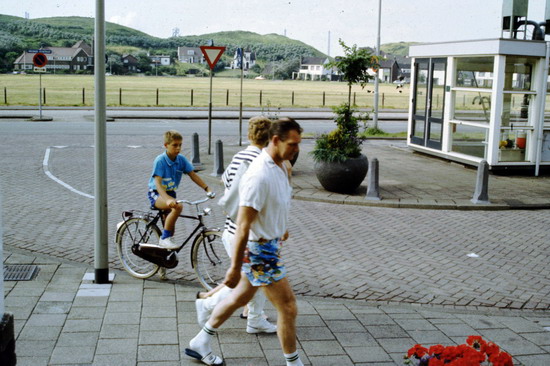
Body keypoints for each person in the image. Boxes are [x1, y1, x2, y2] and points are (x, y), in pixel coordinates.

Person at [185, 118, 304, 366]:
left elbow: (278, 201)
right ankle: (294, 363)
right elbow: (243, 225)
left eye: (298, 144)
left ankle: (200, 341)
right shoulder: (258, 175)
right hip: (261, 251)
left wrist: (280, 228)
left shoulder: (280, 165)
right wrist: (235, 267)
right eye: (292, 144)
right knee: (289, 307)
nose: (297, 149)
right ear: (274, 140)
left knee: (239, 298)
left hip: (269, 245)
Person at [195, 116, 277, 334]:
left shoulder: (238, 157)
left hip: (231, 229)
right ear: (270, 137)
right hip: (249, 232)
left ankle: (255, 318)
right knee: (250, 280)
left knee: (256, 278)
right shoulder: (263, 161)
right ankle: (208, 304)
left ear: (250, 135)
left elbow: (226, 185)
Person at [148, 130, 212, 250]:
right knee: (178, 207)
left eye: (180, 145)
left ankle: (163, 257)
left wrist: (207, 188)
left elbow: (193, 175)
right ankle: (163, 239)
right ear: (166, 145)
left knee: (171, 230)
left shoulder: (181, 159)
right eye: (175, 145)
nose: (178, 148)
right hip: (157, 193)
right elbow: (157, 183)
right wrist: (167, 200)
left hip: (171, 193)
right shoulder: (160, 160)